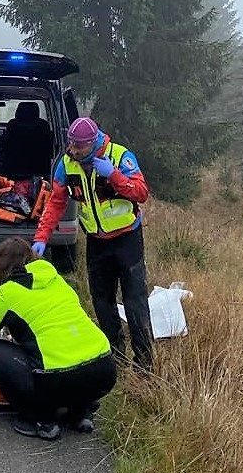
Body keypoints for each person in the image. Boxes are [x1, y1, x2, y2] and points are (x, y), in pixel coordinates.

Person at [32, 117, 153, 370]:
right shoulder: (66, 163)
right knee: (102, 301)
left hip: (127, 238)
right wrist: (41, 238)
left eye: (79, 146)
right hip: (96, 241)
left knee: (134, 301)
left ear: (93, 142)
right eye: (71, 144)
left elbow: (141, 193)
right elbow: (56, 202)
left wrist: (114, 176)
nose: (74, 151)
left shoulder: (119, 156)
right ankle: (115, 359)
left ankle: (144, 365)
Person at [0, 237, 116, 439]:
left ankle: (41, 419)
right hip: (105, 370)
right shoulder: (55, 278)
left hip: (57, 379)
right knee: (65, 352)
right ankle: (80, 412)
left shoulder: (6, 293)